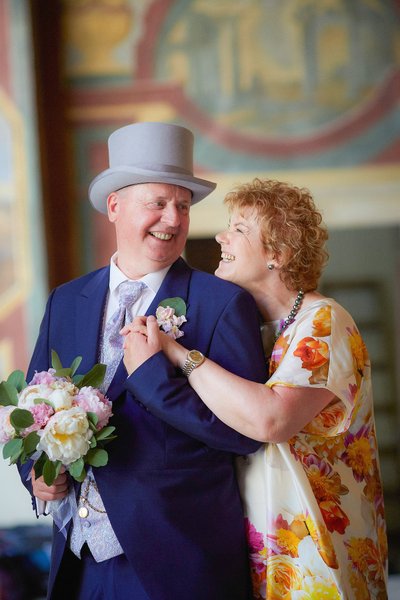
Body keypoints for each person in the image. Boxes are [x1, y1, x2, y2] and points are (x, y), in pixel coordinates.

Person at [18, 123, 268, 600]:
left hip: (179, 562)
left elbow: (244, 434)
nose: (172, 219)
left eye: (183, 205)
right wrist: (37, 474)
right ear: (115, 206)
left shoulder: (221, 304)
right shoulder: (67, 300)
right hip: (77, 564)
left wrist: (156, 379)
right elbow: (33, 412)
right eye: (158, 203)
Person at [124, 178, 389, 600]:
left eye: (240, 229)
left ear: (278, 255)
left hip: (315, 556)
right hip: (253, 550)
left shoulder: (324, 322)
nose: (220, 236)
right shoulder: (253, 328)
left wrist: (177, 356)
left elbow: (271, 419)